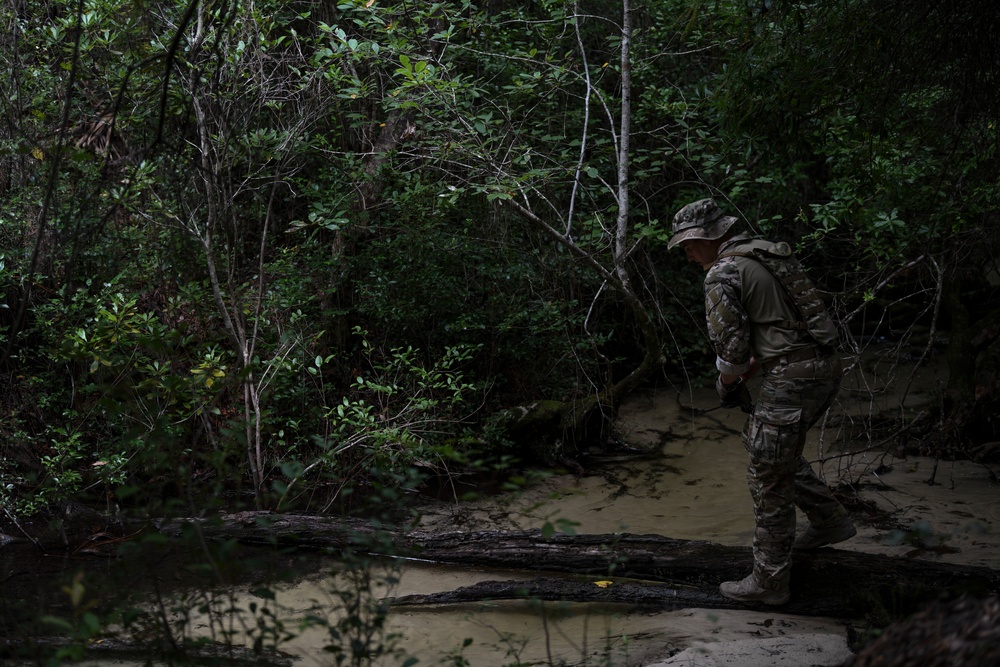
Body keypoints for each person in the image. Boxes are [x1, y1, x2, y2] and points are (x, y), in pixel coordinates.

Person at [668, 197, 856, 605]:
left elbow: (733, 352)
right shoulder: (769, 254)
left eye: (687, 244)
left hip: (790, 377)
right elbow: (784, 328)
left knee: (768, 476)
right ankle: (830, 520)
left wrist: (726, 381)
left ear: (708, 237)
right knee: (768, 449)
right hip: (823, 368)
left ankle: (770, 584)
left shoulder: (722, 272)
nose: (686, 254)